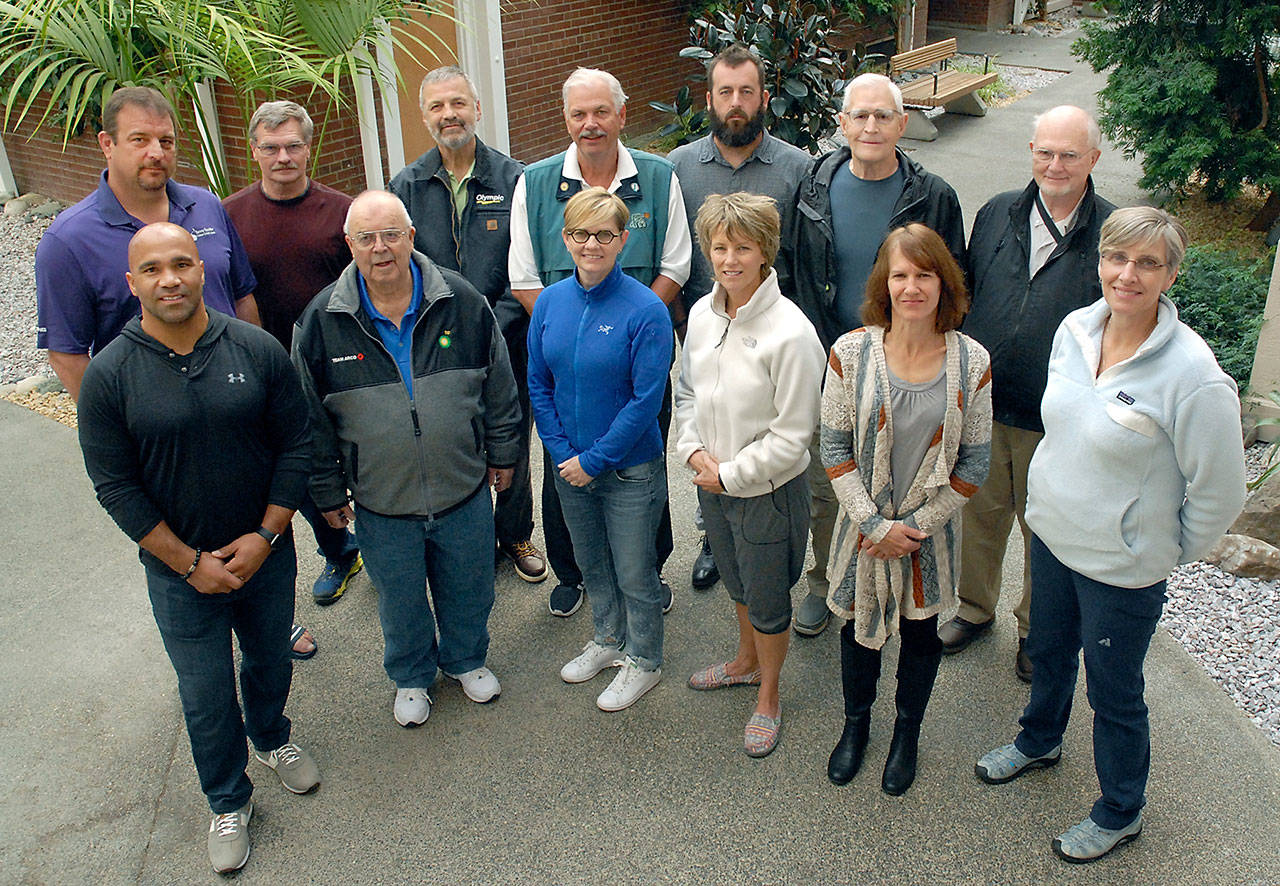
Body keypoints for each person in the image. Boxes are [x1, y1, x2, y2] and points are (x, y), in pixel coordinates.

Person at [975, 207, 1245, 863]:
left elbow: (1221, 491)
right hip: (1053, 536)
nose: (1128, 274)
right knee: (1048, 650)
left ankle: (1121, 810)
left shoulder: (1194, 376)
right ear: (1099, 262)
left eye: (1148, 263)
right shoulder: (1075, 329)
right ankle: (1039, 740)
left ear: (1171, 275)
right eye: (1117, 257)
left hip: (1121, 568)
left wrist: (1161, 549)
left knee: (1113, 692)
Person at [77, 223, 319, 874]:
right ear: (132, 284)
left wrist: (266, 536)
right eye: (152, 269)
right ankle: (228, 798)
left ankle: (271, 736)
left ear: (202, 270)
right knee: (206, 693)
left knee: (269, 661)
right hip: (177, 573)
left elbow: (296, 444)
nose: (170, 279)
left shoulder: (256, 349)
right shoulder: (109, 376)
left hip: (264, 555)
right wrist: (187, 562)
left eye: (182, 264)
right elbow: (115, 487)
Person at [292, 191, 521, 726]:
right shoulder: (322, 321)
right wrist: (326, 488)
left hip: (462, 487)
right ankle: (412, 676)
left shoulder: (461, 300)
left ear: (411, 237)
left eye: (391, 235)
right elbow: (310, 420)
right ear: (349, 244)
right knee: (399, 599)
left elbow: (499, 387)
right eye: (366, 238)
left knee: (469, 586)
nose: (381, 248)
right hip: (382, 500)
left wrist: (504, 450)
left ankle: (466, 660)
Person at [941, 106, 1115, 683]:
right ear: (1031, 153)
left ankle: (1035, 630)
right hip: (987, 404)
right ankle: (974, 608)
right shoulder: (997, 212)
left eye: (1069, 154)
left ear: (1093, 158)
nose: (1055, 165)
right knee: (980, 515)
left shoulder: (1111, 231)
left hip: (1060, 416)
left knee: (1045, 529)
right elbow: (967, 292)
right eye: (1045, 152)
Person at [509, 67, 691, 618]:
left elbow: (675, 264)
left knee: (641, 464)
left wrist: (633, 330)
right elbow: (523, 277)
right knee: (564, 468)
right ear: (566, 119)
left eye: (601, 112)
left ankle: (648, 570)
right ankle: (574, 574)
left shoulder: (658, 177)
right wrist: (575, 336)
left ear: (622, 115)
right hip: (566, 363)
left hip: (638, 358)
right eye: (578, 114)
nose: (590, 124)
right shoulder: (535, 183)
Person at [789, 73, 965, 637]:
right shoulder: (812, 187)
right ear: (842, 123)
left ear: (902, 124)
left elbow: (955, 283)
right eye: (860, 116)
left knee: (906, 480)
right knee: (831, 482)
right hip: (832, 363)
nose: (871, 126)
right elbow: (794, 272)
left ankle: (909, 586)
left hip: (908, 364)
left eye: (883, 116)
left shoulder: (933, 196)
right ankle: (826, 581)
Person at [822, 224, 991, 796]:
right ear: (883, 283)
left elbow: (974, 463)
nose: (912, 287)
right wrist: (874, 524)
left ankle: (906, 734)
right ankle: (856, 726)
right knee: (857, 629)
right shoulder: (850, 352)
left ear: (945, 283)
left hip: (928, 536)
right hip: (863, 531)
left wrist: (912, 529)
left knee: (921, 636)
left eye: (924, 274)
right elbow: (834, 448)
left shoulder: (972, 361)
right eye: (900, 275)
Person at [674, 193, 824, 756]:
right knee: (737, 581)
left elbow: (794, 435)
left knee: (767, 597)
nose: (729, 259)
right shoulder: (701, 315)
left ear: (765, 251)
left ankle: (769, 693)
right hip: (712, 482)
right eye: (719, 247)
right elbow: (687, 392)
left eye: (742, 247)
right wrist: (693, 453)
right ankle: (744, 661)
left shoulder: (791, 333)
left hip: (766, 493)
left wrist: (730, 475)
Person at [390, 65, 547, 585]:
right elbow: (404, 270)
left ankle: (516, 533)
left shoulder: (515, 180)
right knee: (453, 442)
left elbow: (526, 267)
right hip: (435, 346)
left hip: (508, 339)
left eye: (458, 102)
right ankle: (472, 539)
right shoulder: (406, 186)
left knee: (512, 437)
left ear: (477, 109)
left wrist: (488, 328)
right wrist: (443, 332)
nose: (449, 114)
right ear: (424, 117)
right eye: (437, 106)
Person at [668, 43, 812, 594]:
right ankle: (714, 537)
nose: (735, 102)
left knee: (765, 432)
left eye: (746, 92)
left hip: (769, 333)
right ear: (708, 99)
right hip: (705, 327)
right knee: (712, 426)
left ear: (764, 98)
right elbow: (672, 252)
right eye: (724, 92)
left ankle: (778, 544)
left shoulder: (797, 168)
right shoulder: (680, 167)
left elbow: (806, 255)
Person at [528, 187, 672, 712]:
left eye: (604, 235)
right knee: (592, 563)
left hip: (629, 468)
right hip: (569, 466)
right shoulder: (550, 302)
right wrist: (562, 451)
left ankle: (645, 659)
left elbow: (646, 400)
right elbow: (538, 383)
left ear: (623, 239)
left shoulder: (646, 310)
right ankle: (609, 639)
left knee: (635, 572)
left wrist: (594, 460)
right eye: (580, 234)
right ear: (565, 239)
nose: (591, 245)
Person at [224, 100, 363, 610]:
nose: (282, 157)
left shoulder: (343, 212)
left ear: (308, 149)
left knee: (357, 457)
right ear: (254, 152)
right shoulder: (228, 215)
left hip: (341, 365)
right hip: (267, 369)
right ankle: (340, 551)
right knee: (296, 471)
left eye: (292, 146)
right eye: (271, 147)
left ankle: (382, 540)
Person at [36, 86, 260, 401]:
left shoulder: (207, 207)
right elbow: (66, 354)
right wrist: (114, 418)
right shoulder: (68, 241)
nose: (156, 153)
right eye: (139, 140)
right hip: (149, 413)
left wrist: (257, 380)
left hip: (235, 398)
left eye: (166, 141)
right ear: (107, 144)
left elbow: (242, 298)